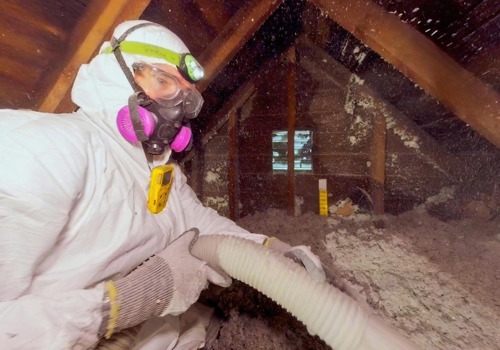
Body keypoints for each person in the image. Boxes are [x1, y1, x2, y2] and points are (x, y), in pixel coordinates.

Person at [0, 20, 325, 349]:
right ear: (118, 73)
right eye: (162, 82)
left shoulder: (155, 169)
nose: (177, 109)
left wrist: (271, 251)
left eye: (186, 98)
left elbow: (199, 223)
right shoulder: (37, 149)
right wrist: (136, 297)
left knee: (192, 323)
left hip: (118, 334)